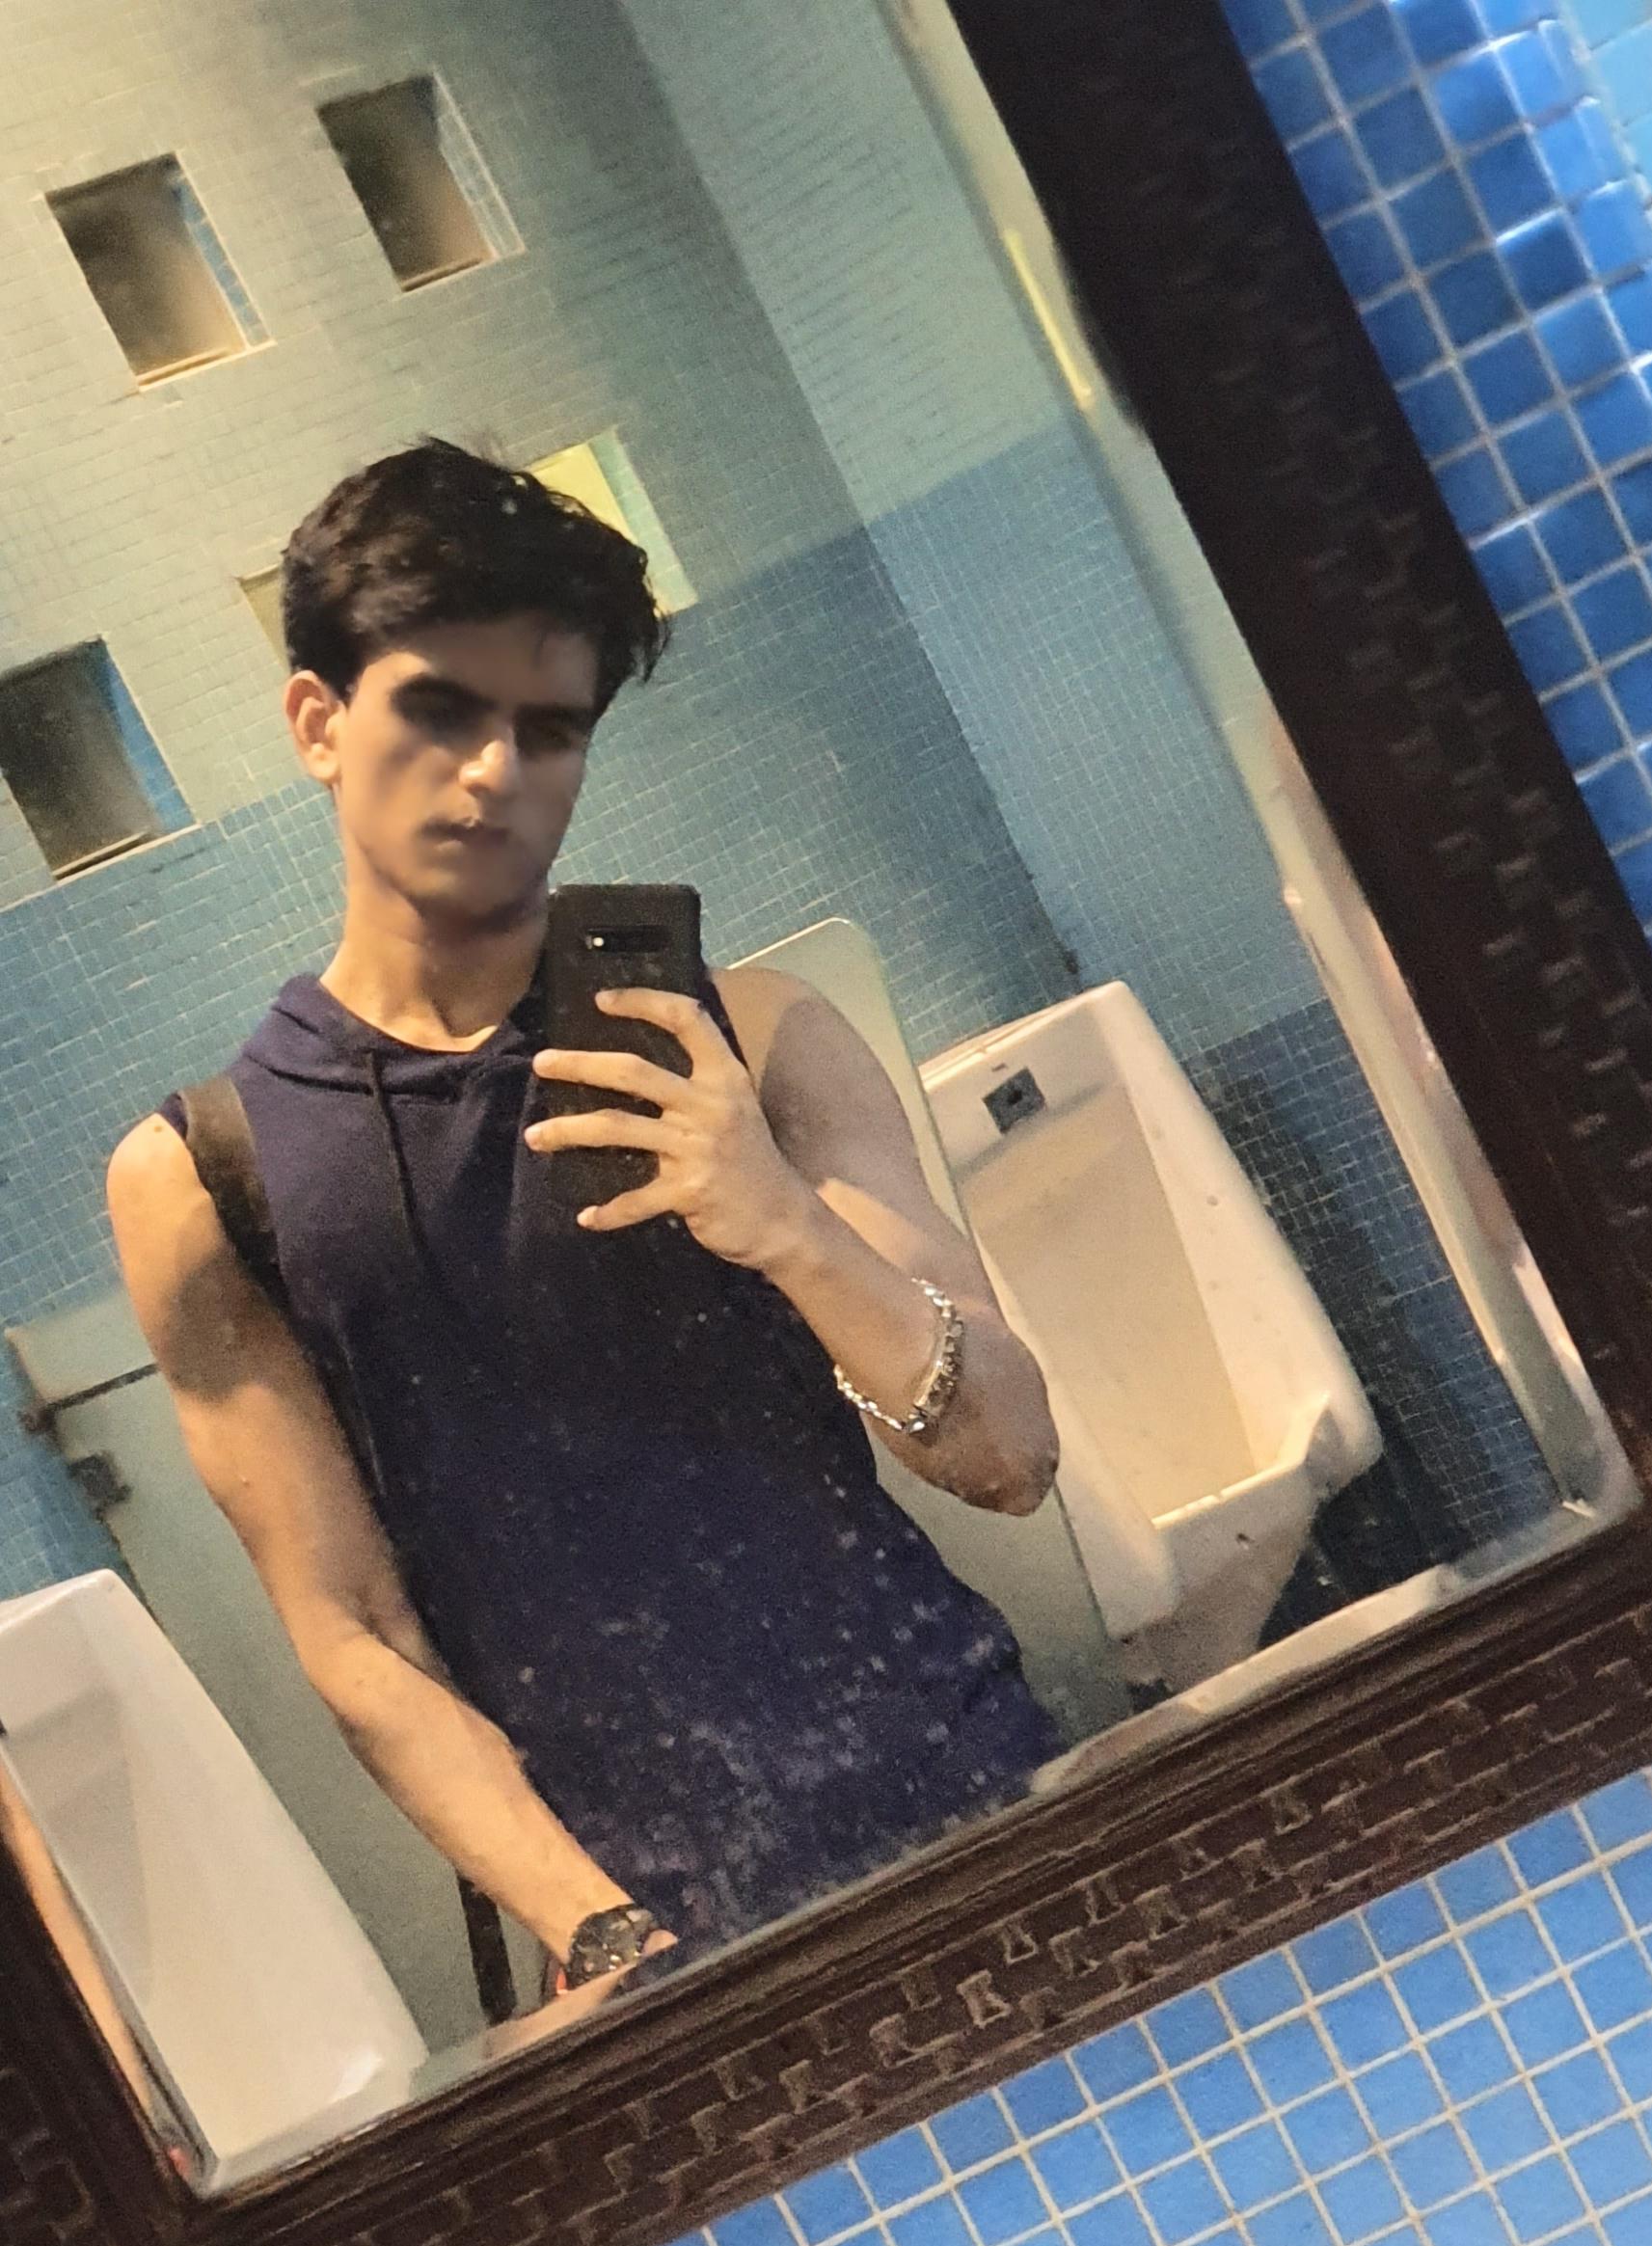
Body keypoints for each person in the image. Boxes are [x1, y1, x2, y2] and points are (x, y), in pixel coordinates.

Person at [107, 440, 1062, 1999]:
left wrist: (786, 1226)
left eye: (548, 730)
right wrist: (607, 1934)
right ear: (319, 722)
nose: (495, 773)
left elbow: (1010, 1458)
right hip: (637, 1943)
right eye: (440, 710)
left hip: (974, 1797)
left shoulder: (758, 1040)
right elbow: (353, 1632)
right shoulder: (206, 1177)